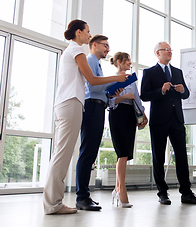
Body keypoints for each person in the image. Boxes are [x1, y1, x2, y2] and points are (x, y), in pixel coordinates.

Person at [43, 19, 128, 215]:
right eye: (88, 32)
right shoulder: (76, 51)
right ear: (79, 32)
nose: (89, 35)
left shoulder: (71, 51)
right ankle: (53, 203)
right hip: (71, 102)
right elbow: (91, 80)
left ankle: (53, 202)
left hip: (67, 103)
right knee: (62, 155)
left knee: (60, 154)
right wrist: (117, 77)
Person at [140, 41, 196, 205]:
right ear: (157, 53)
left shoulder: (178, 72)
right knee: (158, 157)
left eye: (170, 50)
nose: (169, 52)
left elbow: (186, 93)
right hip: (159, 120)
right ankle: (162, 193)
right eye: (165, 50)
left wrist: (183, 91)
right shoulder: (149, 72)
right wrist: (161, 90)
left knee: (182, 157)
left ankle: (186, 193)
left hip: (176, 119)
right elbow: (144, 95)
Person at [75, 34, 117, 211]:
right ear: (94, 45)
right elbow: (92, 86)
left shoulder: (97, 63)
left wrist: (111, 90)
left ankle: (85, 194)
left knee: (91, 151)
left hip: (98, 106)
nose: (108, 49)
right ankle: (82, 196)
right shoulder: (91, 59)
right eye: (105, 45)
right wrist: (114, 80)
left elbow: (99, 87)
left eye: (108, 46)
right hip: (92, 106)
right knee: (87, 151)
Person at [109, 52, 148, 208]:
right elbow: (110, 101)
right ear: (119, 61)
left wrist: (143, 114)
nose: (130, 64)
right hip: (117, 114)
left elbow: (137, 97)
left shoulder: (131, 79)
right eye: (127, 61)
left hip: (130, 115)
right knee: (122, 153)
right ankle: (121, 191)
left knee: (126, 154)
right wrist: (126, 96)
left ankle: (117, 188)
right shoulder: (111, 79)